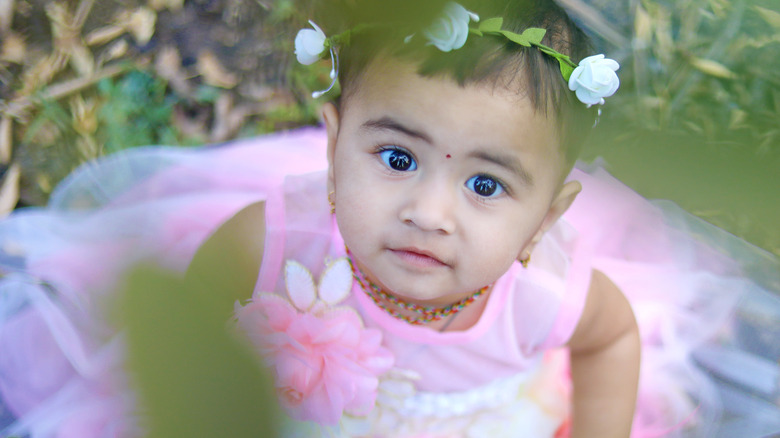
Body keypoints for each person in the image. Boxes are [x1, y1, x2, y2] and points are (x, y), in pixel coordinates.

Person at [0, 1, 778, 437]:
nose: (430, 213)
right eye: (399, 160)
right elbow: (194, 325)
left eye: (486, 183)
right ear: (335, 143)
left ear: (546, 216)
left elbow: (610, 339)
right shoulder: (269, 240)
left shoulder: (545, 294)